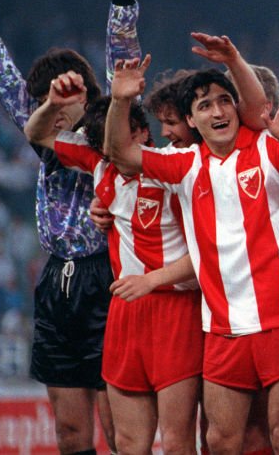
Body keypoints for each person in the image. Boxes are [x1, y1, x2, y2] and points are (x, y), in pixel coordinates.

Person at [0, 0, 142, 453]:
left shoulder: (111, 134)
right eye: (46, 100)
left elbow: (124, 61)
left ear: (88, 92)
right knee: (70, 432)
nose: (56, 103)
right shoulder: (45, 140)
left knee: (121, 429)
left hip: (110, 278)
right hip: (57, 284)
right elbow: (2, 77)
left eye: (66, 92)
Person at [106, 53, 279, 455]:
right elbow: (121, 153)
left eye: (225, 100)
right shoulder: (185, 165)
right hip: (223, 329)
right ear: (192, 121)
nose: (217, 111)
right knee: (220, 440)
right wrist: (120, 101)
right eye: (204, 105)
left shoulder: (266, 146)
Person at [25, 82, 202, 455]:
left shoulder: (176, 168)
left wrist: (152, 281)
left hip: (174, 310)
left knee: (177, 442)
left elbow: (208, 252)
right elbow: (37, 132)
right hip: (125, 313)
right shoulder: (99, 164)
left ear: (140, 131)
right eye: (103, 143)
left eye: (116, 138)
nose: (110, 150)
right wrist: (54, 103)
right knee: (128, 443)